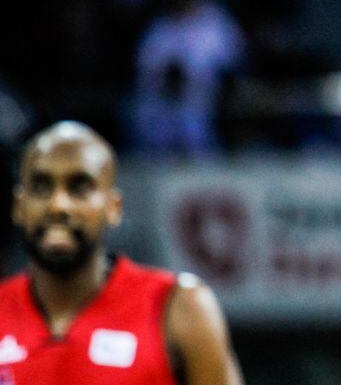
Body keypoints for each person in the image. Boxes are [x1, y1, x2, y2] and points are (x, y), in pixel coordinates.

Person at [0, 121, 244, 385]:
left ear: (113, 207)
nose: (59, 205)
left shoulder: (179, 308)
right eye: (41, 187)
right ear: (18, 206)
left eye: (79, 187)